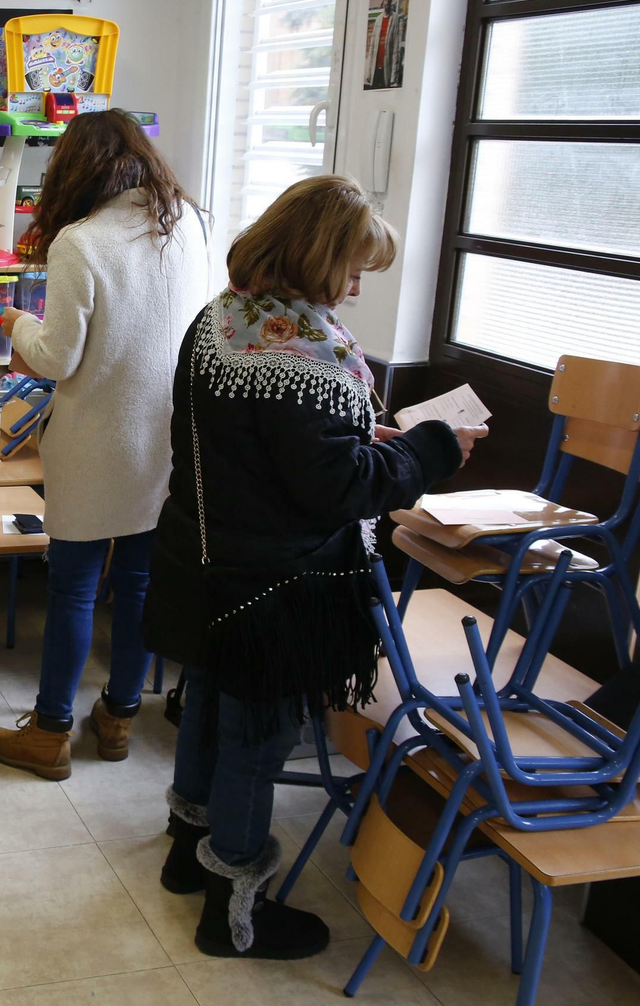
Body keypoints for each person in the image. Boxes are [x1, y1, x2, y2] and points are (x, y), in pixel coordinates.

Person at [144, 174, 487, 960]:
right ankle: (233, 911)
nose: (358, 287)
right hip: (274, 585)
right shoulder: (306, 357)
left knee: (207, 708)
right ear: (316, 256)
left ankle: (184, 856)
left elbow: (275, 456)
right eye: (354, 268)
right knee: (257, 741)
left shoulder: (223, 318)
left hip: (205, 559)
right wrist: (434, 449)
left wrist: (374, 442)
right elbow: (339, 488)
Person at [0, 109, 208, 781]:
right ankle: (116, 722)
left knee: (75, 589)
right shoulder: (191, 223)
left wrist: (15, 321)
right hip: (166, 440)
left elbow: (56, 358)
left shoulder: (81, 241)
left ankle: (50, 733)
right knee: (139, 585)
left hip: (96, 440)